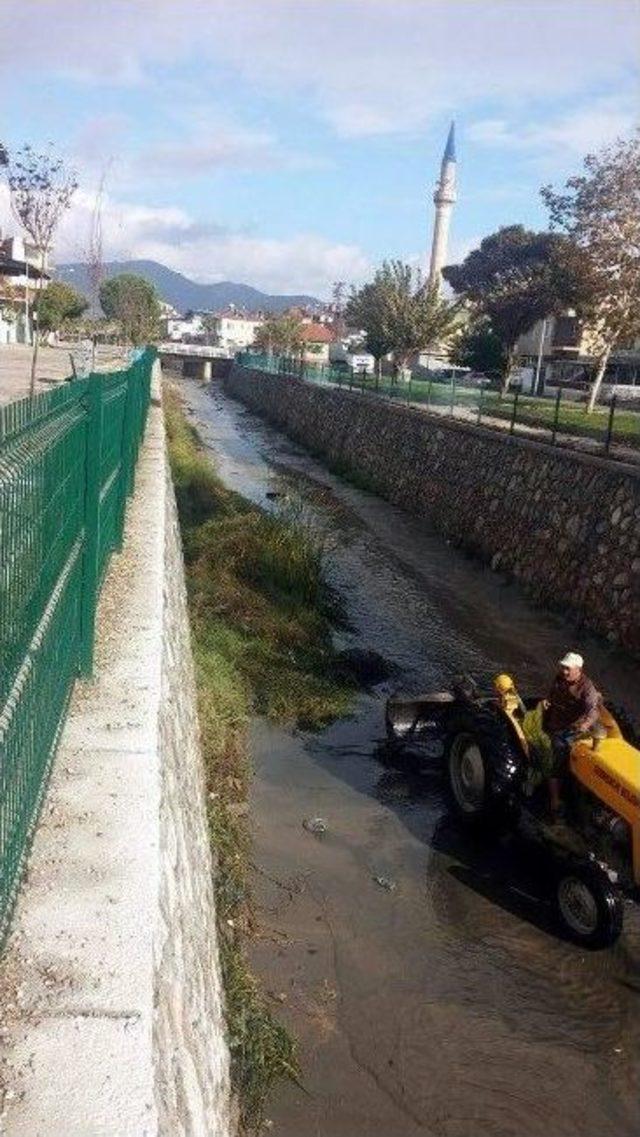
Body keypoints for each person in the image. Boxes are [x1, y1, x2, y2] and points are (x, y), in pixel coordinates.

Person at [543, 652, 601, 818]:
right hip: (556, 724)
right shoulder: (560, 678)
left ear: (579, 670)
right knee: (557, 762)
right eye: (563, 667)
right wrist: (548, 700)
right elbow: (553, 693)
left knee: (567, 757)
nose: (564, 671)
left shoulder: (587, 688)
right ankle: (555, 801)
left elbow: (594, 711)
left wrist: (585, 724)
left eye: (568, 668)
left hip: (571, 729)